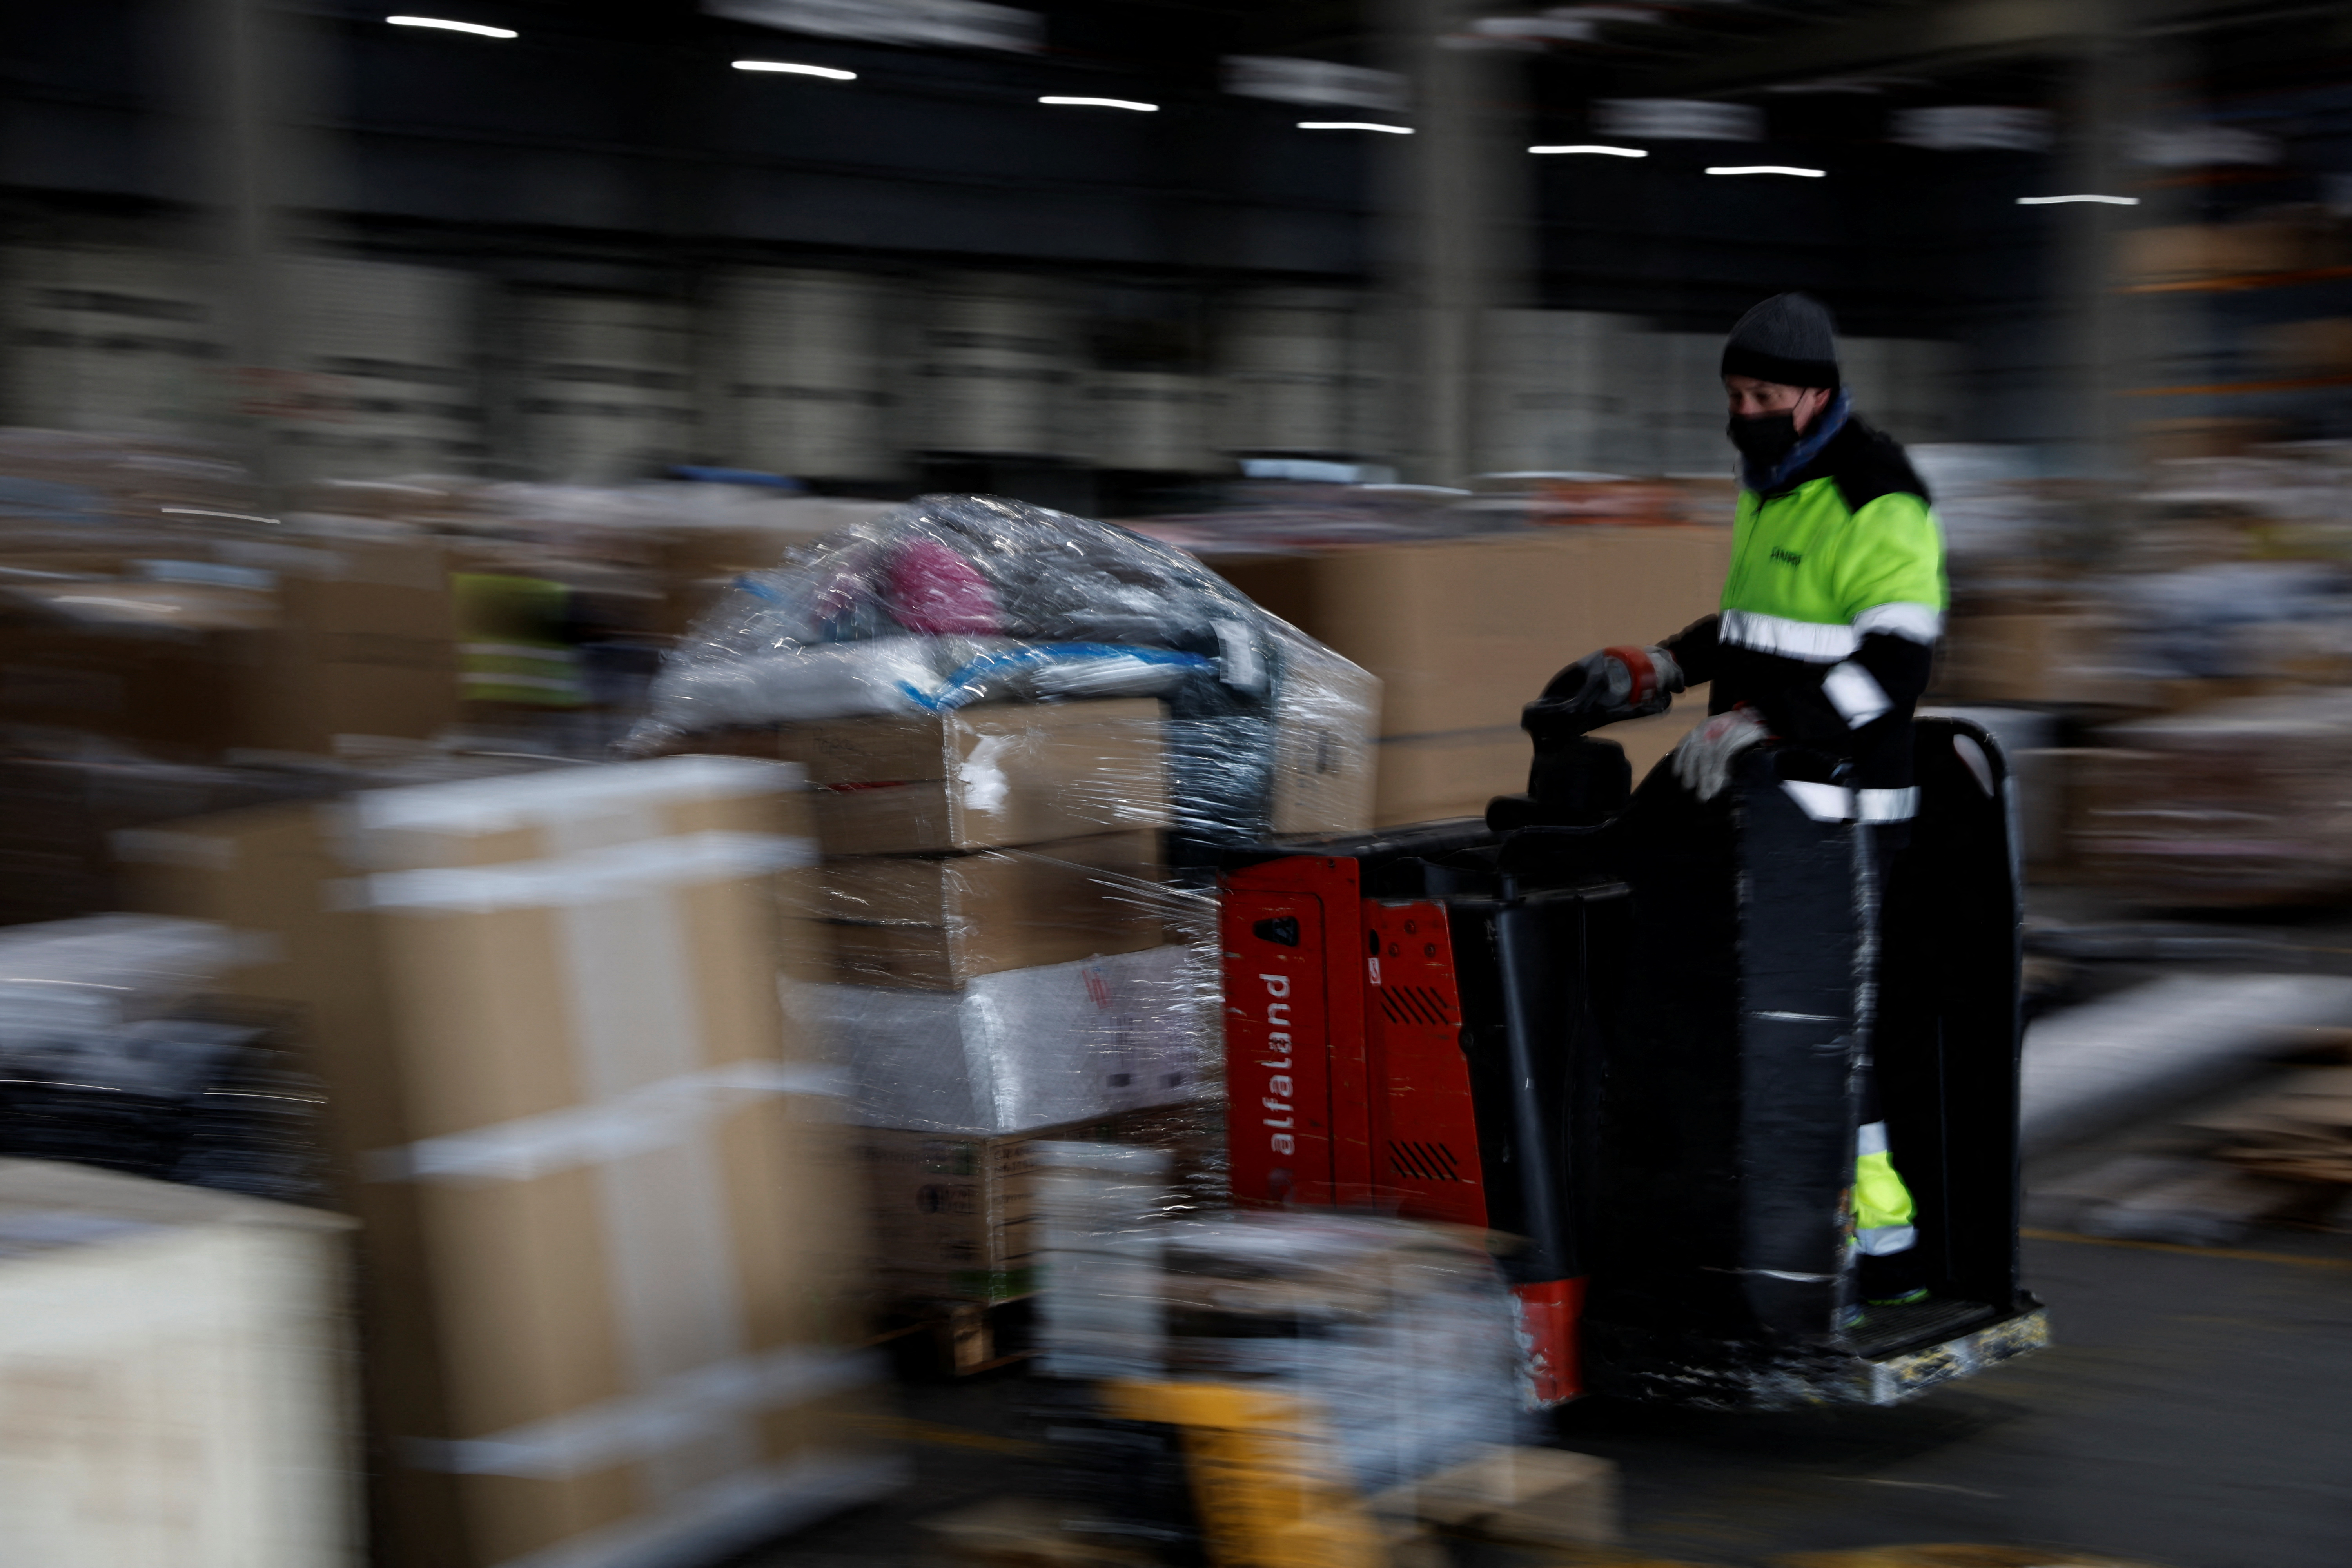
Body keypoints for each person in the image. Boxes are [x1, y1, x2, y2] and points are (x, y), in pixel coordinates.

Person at [1536, 291, 1946, 1310]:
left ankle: (1876, 1251)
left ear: (1816, 395)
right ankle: (1728, 1223)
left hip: (1845, 811)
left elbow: (1895, 667)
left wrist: (1778, 728)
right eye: (1735, 396)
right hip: (1770, 803)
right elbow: (1754, 630)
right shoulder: (1773, 485)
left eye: (1764, 397)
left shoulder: (1879, 495)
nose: (1745, 414)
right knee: (1716, 997)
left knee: (1819, 1032)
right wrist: (1660, 666)